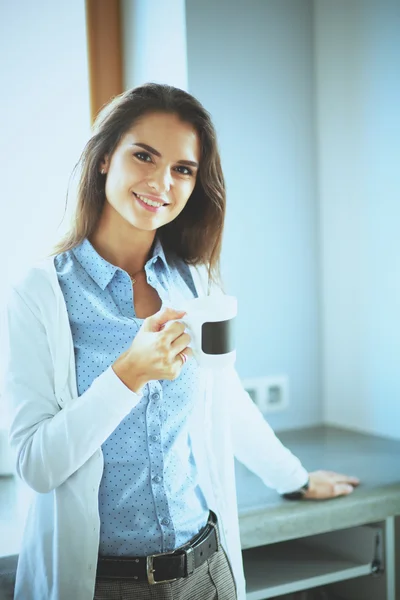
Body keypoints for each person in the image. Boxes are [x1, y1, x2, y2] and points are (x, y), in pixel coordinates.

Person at [2, 83, 359, 600]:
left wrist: (295, 478)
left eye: (183, 169)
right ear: (105, 159)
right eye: (143, 156)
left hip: (204, 573)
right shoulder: (40, 293)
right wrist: (127, 375)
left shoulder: (194, 282)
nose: (161, 182)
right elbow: (37, 464)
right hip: (102, 584)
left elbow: (225, 396)